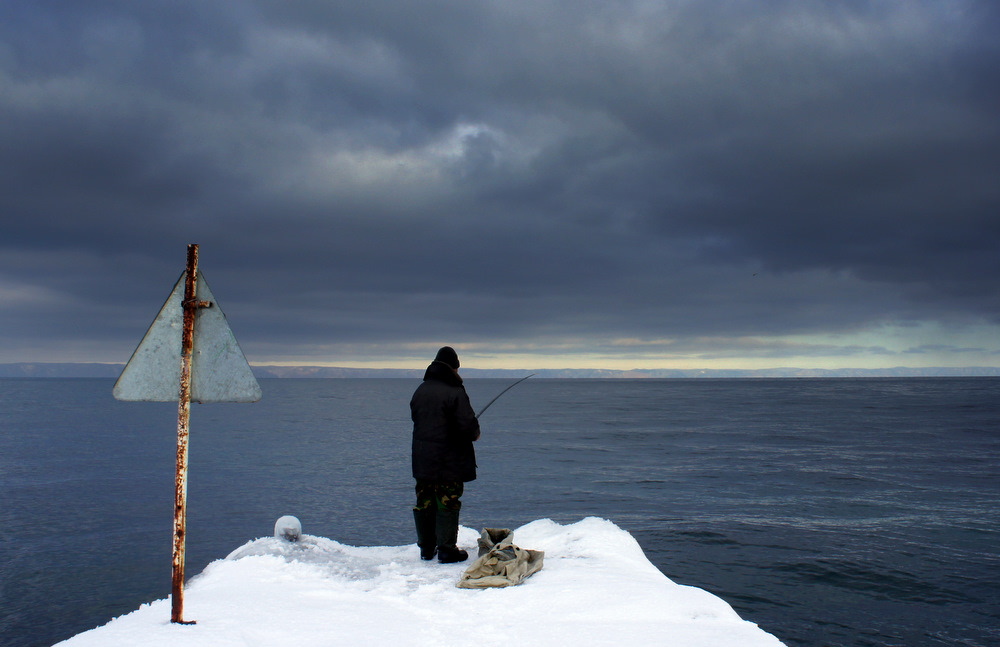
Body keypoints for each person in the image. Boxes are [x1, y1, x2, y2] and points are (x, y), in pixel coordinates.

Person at [410, 346, 481, 563]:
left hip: (422, 458)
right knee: (448, 501)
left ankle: (426, 548)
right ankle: (447, 550)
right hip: (449, 460)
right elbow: (468, 428)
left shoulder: (420, 390)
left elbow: (418, 419)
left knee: (424, 501)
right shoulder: (455, 391)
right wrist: (475, 432)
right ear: (454, 368)